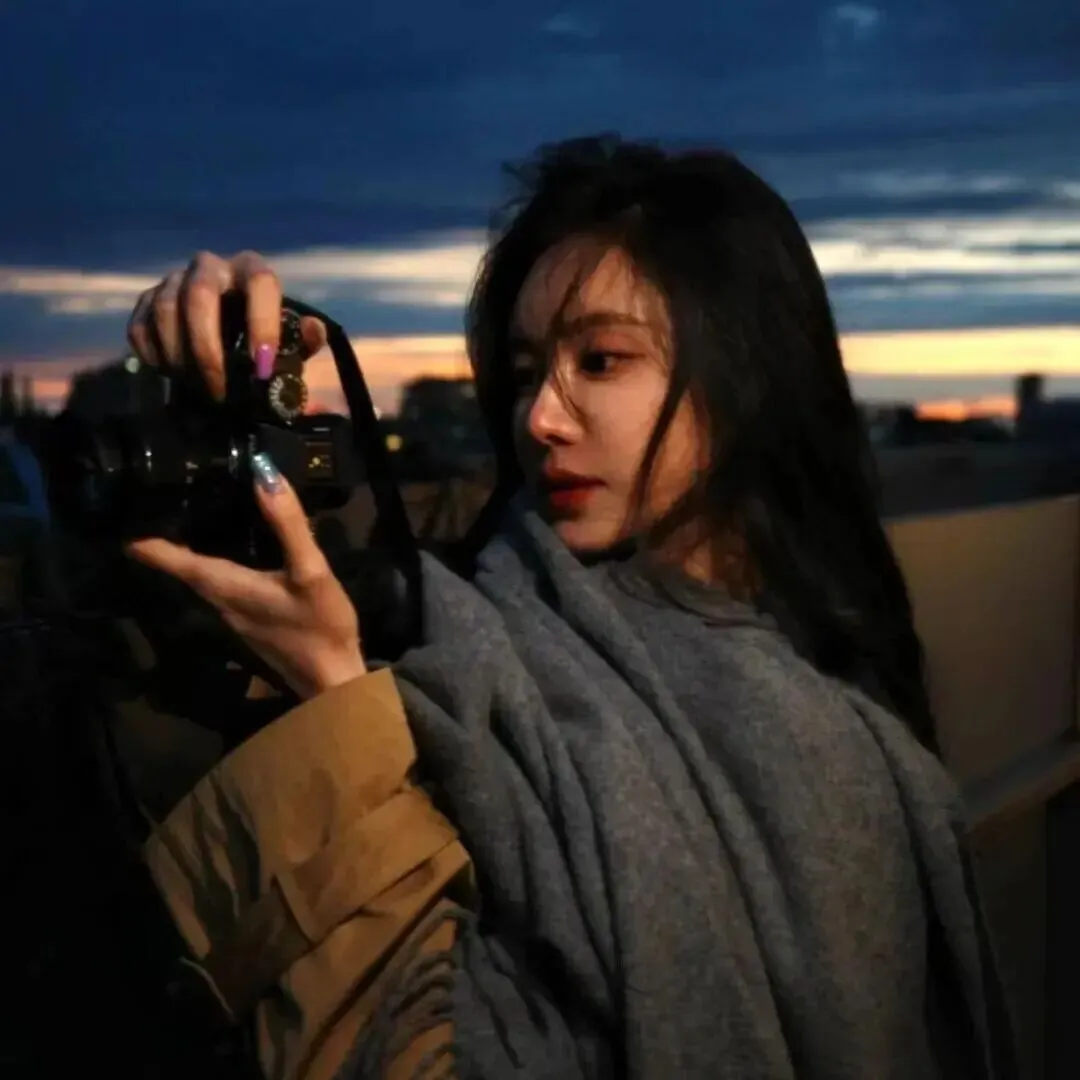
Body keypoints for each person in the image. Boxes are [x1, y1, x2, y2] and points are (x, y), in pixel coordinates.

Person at [122, 136, 1015, 1080]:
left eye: (600, 359)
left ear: (748, 377)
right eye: (523, 375)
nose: (540, 418)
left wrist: (334, 706)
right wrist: (229, 388)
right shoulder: (454, 636)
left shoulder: (836, 741)